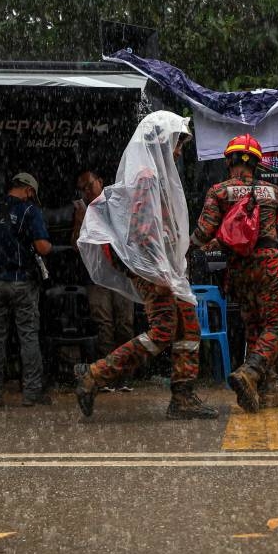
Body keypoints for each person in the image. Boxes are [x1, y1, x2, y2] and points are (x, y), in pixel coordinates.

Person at [74, 111, 218, 420]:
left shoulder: (155, 175)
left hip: (165, 269)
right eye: (177, 143)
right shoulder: (147, 176)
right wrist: (160, 273)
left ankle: (183, 398)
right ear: (162, 141)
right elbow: (142, 230)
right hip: (153, 269)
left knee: (188, 327)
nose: (179, 151)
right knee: (163, 330)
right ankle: (95, 375)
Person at [189, 134, 278, 413]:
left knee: (255, 325)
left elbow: (205, 233)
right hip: (268, 263)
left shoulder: (219, 191)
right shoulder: (273, 192)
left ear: (229, 161)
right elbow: (260, 229)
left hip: (238, 268)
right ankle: (251, 372)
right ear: (256, 164)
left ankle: (265, 391)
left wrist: (187, 248)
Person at [0, 172, 52, 407]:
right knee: (28, 337)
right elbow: (42, 247)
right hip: (22, 282)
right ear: (29, 191)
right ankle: (31, 394)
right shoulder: (30, 211)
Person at [71, 168, 135, 392]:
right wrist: (80, 220)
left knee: (125, 323)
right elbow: (75, 244)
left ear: (100, 181)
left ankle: (124, 375)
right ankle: (105, 375)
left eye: (90, 185)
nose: (87, 191)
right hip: (97, 276)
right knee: (104, 324)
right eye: (83, 189)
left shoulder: (115, 202)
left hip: (120, 273)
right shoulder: (82, 209)